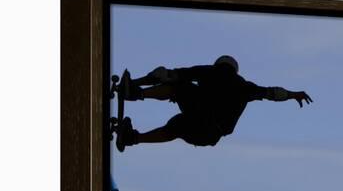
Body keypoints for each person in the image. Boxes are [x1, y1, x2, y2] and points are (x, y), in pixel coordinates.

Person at [115, 55, 313, 150]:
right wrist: (294, 94)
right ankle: (133, 139)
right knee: (176, 127)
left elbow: (166, 75)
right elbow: (273, 93)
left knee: (178, 87)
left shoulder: (209, 71)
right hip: (209, 134)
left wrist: (135, 83)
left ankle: (136, 93)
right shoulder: (245, 87)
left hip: (199, 117)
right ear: (235, 70)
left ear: (218, 65)